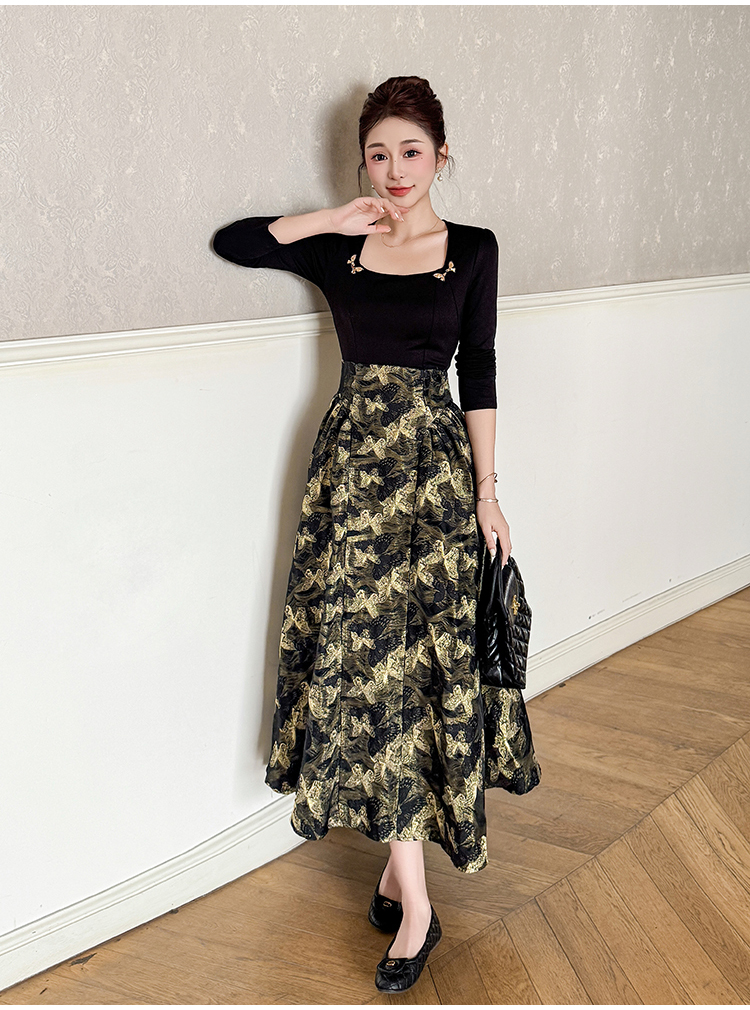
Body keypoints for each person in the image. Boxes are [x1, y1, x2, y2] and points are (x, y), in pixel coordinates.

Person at [212, 75, 541, 994]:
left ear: (442, 155)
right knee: (364, 671)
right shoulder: (341, 250)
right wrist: (330, 218)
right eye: (378, 153)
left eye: (411, 151)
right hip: (351, 478)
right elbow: (236, 242)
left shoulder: (473, 249)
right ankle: (414, 899)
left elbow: (480, 370)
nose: (395, 169)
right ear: (363, 162)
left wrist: (488, 494)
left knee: (420, 672)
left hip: (435, 479)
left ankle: (406, 888)